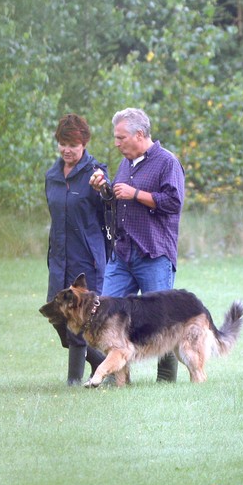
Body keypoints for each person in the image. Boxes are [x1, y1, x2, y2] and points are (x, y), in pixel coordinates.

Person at [89, 107, 185, 382]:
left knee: (162, 318)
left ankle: (166, 380)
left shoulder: (167, 162)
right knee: (105, 312)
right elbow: (120, 201)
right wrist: (105, 190)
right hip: (123, 253)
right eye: (116, 138)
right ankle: (117, 379)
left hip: (154, 253)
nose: (116, 143)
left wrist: (136, 194)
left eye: (121, 138)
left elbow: (174, 202)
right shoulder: (125, 164)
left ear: (139, 134)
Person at [44, 113, 108, 386]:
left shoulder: (96, 173)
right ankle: (103, 364)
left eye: (73, 144)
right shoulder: (52, 176)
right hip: (59, 258)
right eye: (63, 143)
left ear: (84, 144)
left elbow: (109, 208)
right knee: (56, 316)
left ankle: (73, 381)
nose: (67, 149)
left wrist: (105, 190)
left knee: (81, 321)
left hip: (87, 260)